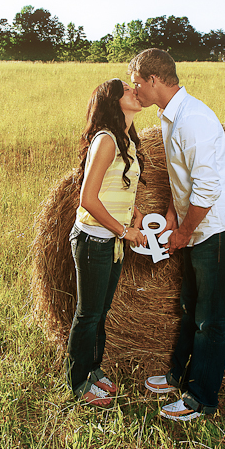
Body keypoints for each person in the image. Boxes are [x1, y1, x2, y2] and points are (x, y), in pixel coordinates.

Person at [129, 49, 225, 421]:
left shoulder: (192, 119)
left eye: (137, 82)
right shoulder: (172, 116)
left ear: (154, 80)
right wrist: (170, 216)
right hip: (198, 227)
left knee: (210, 319)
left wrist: (183, 232)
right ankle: (177, 376)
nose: (135, 90)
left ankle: (202, 399)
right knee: (188, 307)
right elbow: (182, 180)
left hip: (215, 230)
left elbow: (208, 188)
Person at [66, 78, 147, 407]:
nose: (135, 92)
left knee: (101, 311)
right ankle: (78, 384)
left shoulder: (125, 139)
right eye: (127, 90)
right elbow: (88, 198)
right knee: (87, 314)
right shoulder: (106, 141)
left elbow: (117, 187)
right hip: (92, 240)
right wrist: (124, 231)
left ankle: (94, 370)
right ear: (113, 102)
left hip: (109, 240)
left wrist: (134, 212)